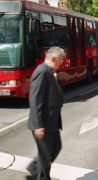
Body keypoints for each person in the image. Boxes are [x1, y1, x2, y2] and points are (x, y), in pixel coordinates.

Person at [28, 46, 65, 180]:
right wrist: (38, 125)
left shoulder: (50, 72)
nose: (62, 63)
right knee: (45, 157)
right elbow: (35, 99)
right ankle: (41, 176)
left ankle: (34, 168)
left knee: (55, 148)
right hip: (43, 123)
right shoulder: (42, 72)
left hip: (52, 122)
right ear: (54, 59)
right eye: (61, 60)